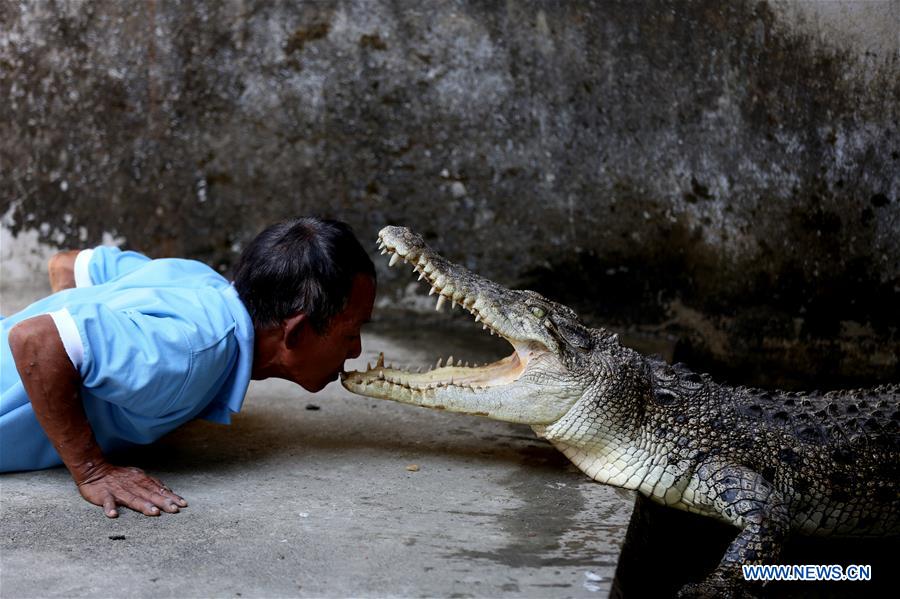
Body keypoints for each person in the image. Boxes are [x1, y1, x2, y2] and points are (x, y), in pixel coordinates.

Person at [1, 217, 376, 518]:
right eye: (352, 332)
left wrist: (116, 392)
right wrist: (92, 470)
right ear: (296, 332)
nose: (357, 350)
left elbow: (70, 264)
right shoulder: (189, 353)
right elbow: (37, 340)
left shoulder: (198, 279)